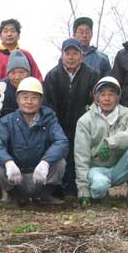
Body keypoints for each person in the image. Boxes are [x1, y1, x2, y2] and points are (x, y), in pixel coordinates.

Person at [0, 77, 68, 205]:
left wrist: (45, 163)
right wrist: (8, 162)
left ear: (41, 100)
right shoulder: (7, 121)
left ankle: (44, 196)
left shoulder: (49, 119)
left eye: (34, 98)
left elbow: (61, 142)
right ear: (17, 100)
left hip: (41, 175)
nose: (29, 102)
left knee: (60, 163)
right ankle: (16, 197)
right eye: (25, 97)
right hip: (17, 175)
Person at [74, 76, 128, 208]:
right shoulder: (85, 121)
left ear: (118, 97)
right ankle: (101, 194)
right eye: (102, 94)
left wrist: (111, 142)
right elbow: (81, 156)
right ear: (96, 97)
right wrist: (83, 190)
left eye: (111, 94)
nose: (107, 99)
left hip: (120, 167)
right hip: (97, 168)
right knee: (99, 186)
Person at [43, 37, 100, 198]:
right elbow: (48, 105)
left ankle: (79, 190)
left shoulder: (92, 75)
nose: (71, 57)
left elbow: (96, 102)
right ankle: (58, 189)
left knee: (80, 157)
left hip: (83, 126)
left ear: (81, 55)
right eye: (67, 53)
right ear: (62, 55)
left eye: (75, 53)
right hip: (58, 125)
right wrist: (54, 127)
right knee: (61, 156)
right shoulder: (52, 76)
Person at [0, 50, 31, 203]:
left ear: (28, 73)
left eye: (21, 72)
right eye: (13, 72)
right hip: (2, 133)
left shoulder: (34, 87)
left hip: (27, 136)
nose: (17, 76)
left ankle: (21, 193)